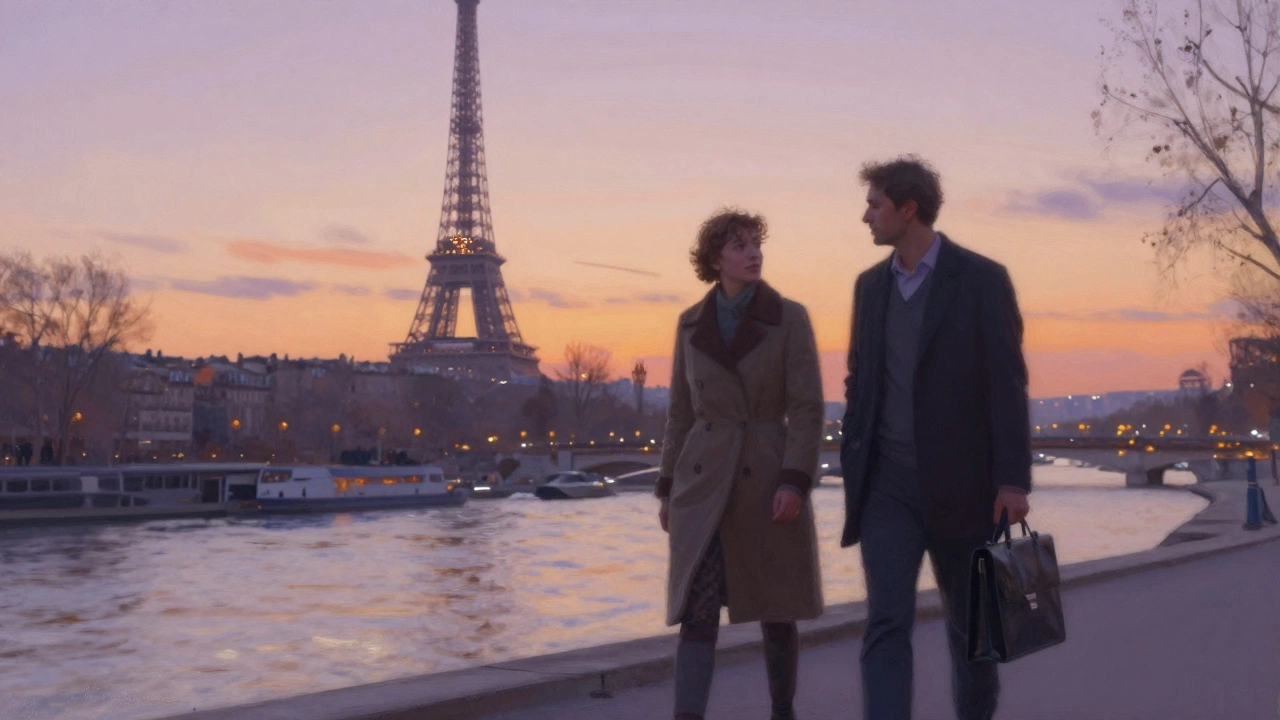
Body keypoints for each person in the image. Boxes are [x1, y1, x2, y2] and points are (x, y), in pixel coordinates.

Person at [839, 156, 1032, 720]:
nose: (865, 216)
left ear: (908, 208)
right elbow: (860, 378)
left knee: (972, 634)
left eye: (875, 205)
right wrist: (857, 450)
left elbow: (1006, 382)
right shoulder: (869, 288)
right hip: (886, 488)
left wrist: (1011, 479)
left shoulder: (980, 279)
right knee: (885, 622)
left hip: (964, 488)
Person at [656, 209, 825, 720]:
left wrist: (795, 480)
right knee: (698, 610)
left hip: (767, 475)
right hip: (702, 484)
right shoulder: (689, 324)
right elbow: (681, 412)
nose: (753, 253)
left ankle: (782, 710)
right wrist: (666, 486)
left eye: (756, 244)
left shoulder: (788, 316)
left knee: (776, 609)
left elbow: (807, 406)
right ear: (715, 260)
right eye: (739, 246)